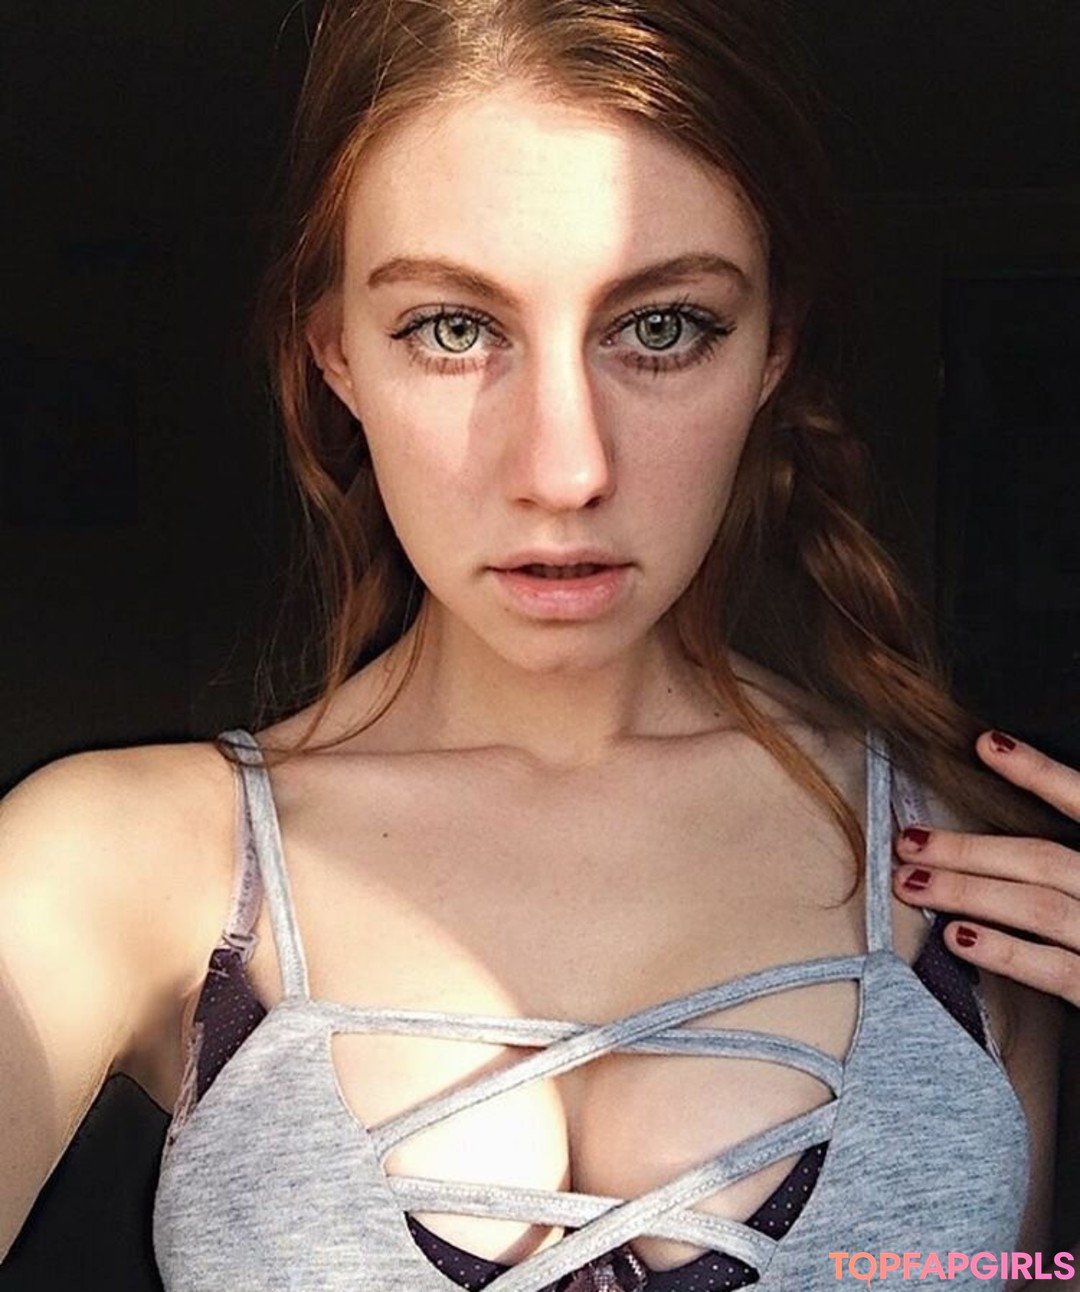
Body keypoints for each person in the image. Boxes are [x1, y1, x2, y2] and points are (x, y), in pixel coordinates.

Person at [1, 1, 1077, 1288]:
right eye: (454, 328)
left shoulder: (968, 868)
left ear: (773, 348)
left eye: (662, 326)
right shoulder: (112, 867)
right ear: (336, 352)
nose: (565, 470)